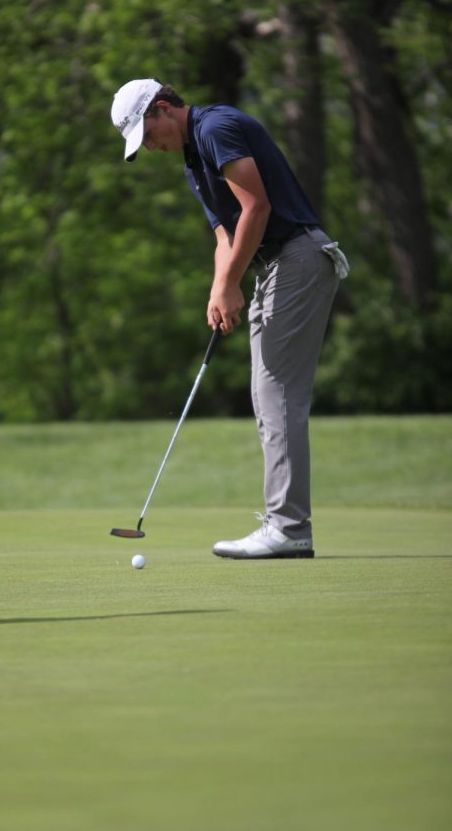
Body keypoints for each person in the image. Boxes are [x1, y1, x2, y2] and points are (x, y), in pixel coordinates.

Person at [110, 78, 349, 559]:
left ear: (162, 109)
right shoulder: (194, 161)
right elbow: (226, 234)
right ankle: (286, 523)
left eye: (148, 133)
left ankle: (288, 527)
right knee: (268, 394)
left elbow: (256, 208)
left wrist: (230, 282)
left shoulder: (215, 127)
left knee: (276, 391)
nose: (150, 146)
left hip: (297, 258)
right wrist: (220, 290)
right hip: (273, 266)